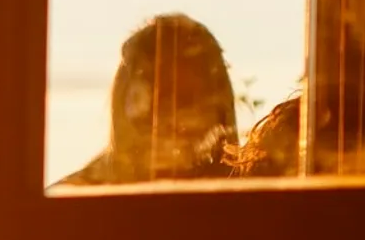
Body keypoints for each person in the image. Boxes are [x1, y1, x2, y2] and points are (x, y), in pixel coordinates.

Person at [60, 12, 241, 185]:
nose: (171, 118)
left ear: (220, 108)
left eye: (186, 100)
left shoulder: (250, 196)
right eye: (155, 101)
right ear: (124, 104)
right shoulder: (73, 202)